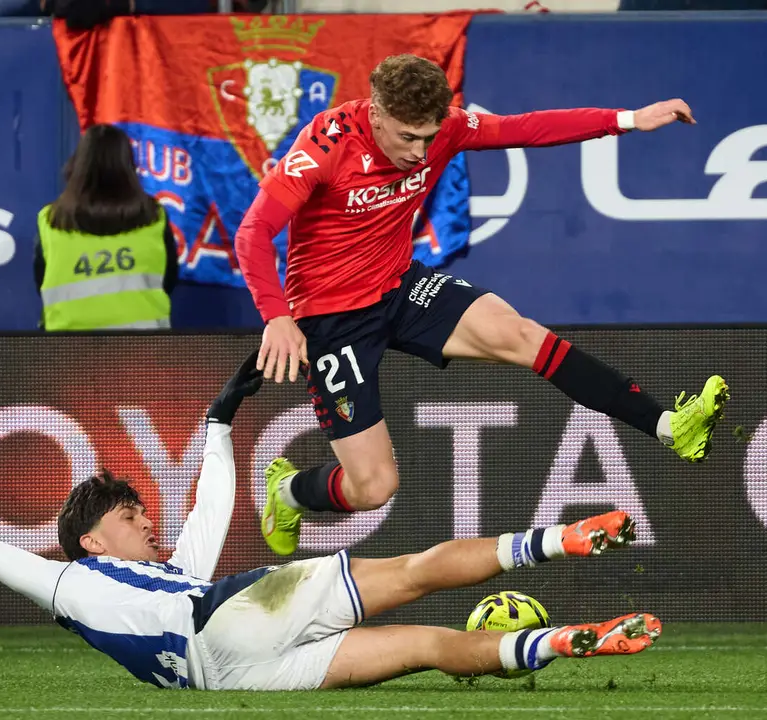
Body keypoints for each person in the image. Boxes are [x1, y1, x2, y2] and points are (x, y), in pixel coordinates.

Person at [234, 53, 730, 556]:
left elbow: (527, 129)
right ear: (376, 113)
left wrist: (627, 120)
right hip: (331, 319)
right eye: (408, 137)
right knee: (374, 487)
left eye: (429, 137)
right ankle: (290, 492)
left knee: (521, 335)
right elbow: (253, 232)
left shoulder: (443, 129)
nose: (420, 151)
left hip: (401, 287)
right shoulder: (324, 146)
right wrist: (276, 314)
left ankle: (669, 426)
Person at [0, 353, 662, 691]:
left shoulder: (154, 581)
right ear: (90, 542)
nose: (147, 520)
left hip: (230, 676)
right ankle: (554, 541)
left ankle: (564, 642)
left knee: (430, 647)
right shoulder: (66, 582)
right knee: (408, 576)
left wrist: (220, 422)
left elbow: (209, 509)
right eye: (130, 515)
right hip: (228, 620)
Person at [35, 123, 178, 331]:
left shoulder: (50, 220)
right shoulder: (155, 217)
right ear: (129, 166)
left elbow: (41, 284)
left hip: (67, 352)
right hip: (146, 350)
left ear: (78, 164)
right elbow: (168, 281)